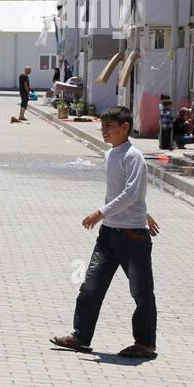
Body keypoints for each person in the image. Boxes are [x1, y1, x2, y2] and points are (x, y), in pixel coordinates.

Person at [50, 106, 160, 360]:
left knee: (141, 292)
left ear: (125, 128)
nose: (104, 131)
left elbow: (133, 193)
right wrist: (141, 212)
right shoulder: (111, 154)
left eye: (109, 126)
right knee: (91, 287)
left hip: (133, 238)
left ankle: (145, 344)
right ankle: (80, 336)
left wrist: (100, 212)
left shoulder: (133, 156)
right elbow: (122, 192)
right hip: (109, 235)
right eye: (103, 126)